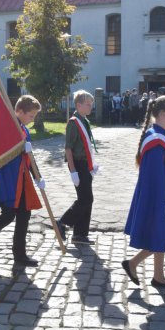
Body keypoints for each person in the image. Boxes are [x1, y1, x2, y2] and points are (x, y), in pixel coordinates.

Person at [123, 96, 165, 289]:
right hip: (158, 195)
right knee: (158, 233)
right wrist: (162, 200)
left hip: (164, 192)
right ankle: (135, 265)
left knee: (161, 234)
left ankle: (156, 275)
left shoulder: (162, 134)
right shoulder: (155, 138)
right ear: (162, 114)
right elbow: (153, 175)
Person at [0, 95, 45, 266]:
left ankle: (19, 254)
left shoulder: (24, 130)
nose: (32, 120)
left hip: (22, 179)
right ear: (19, 111)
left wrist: (38, 177)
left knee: (24, 214)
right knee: (8, 215)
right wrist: (20, 147)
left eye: (34, 117)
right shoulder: (7, 127)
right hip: (8, 179)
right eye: (31, 116)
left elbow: (30, 157)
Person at [56, 90, 98, 245]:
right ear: (79, 105)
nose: (91, 107)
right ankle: (62, 222)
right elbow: (68, 148)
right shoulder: (74, 122)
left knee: (87, 199)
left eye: (91, 104)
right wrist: (73, 171)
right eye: (88, 104)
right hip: (78, 164)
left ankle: (80, 234)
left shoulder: (83, 120)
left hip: (85, 164)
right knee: (86, 198)